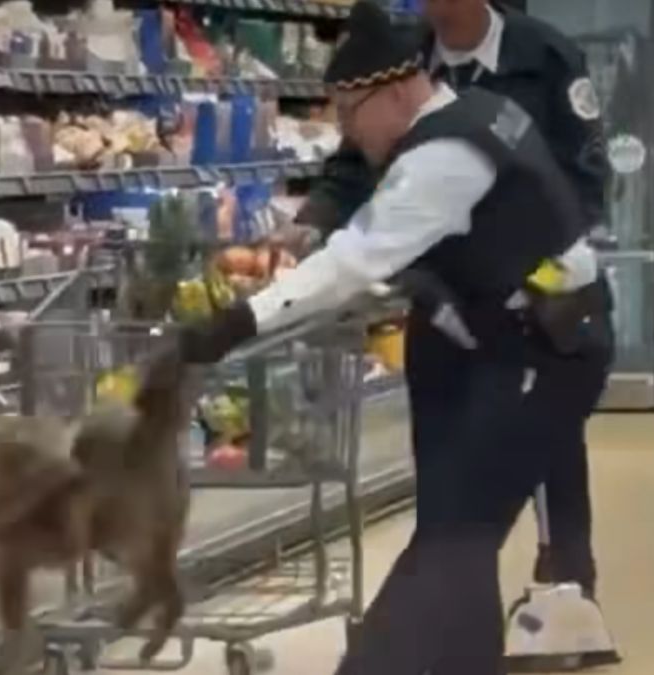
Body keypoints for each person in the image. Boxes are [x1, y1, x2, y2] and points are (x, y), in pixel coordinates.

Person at [169, 2, 614, 672]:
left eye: (350, 112)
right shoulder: (469, 116)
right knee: (456, 535)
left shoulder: (445, 157)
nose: (350, 131)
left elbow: (355, 258)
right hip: (492, 336)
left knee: (455, 538)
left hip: (545, 351)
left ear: (399, 89)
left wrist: (238, 321)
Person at [286, 0, 612, 602]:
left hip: (528, 301)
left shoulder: (543, 56)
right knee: (439, 443)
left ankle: (568, 580)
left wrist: (554, 268)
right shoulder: (403, 57)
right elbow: (355, 159)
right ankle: (457, 602)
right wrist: (317, 221)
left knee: (550, 443)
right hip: (438, 295)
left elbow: (587, 171)